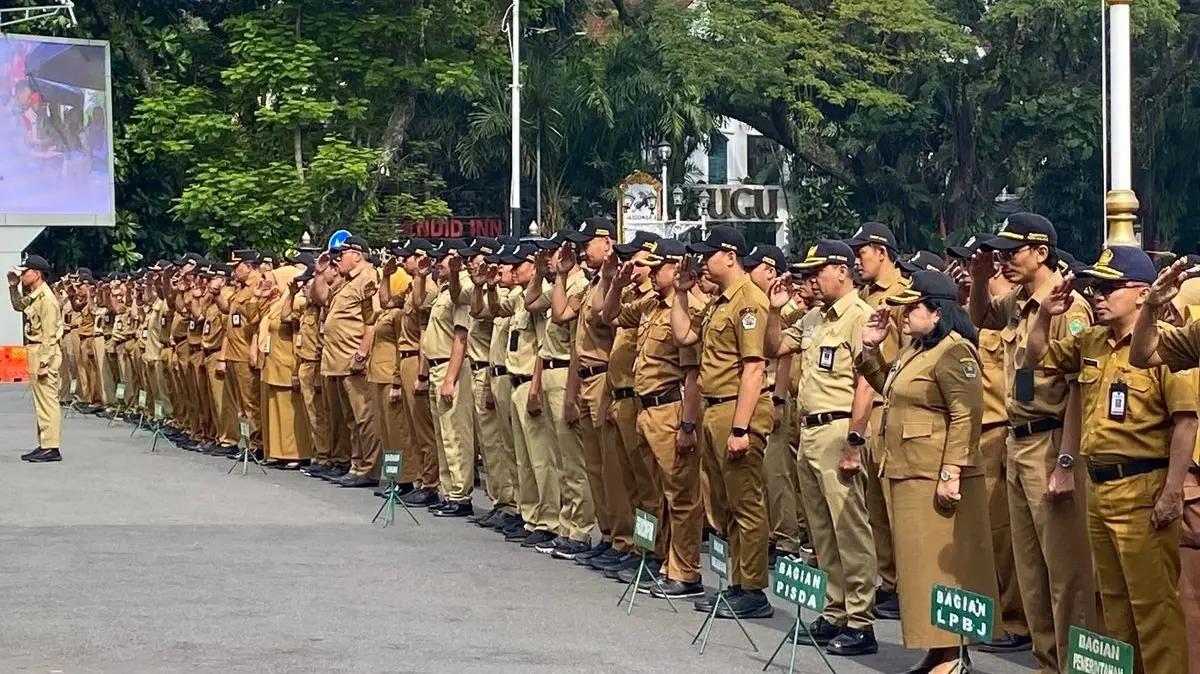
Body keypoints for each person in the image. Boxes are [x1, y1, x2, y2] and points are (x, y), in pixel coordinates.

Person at [1026, 247, 1192, 674]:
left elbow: (1185, 424)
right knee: (1114, 606)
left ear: (1142, 294)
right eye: (1095, 287)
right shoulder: (1091, 341)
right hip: (1098, 487)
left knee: (1153, 608)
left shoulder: (1166, 343)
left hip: (1143, 488)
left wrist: (1173, 491)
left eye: (1109, 287)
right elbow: (1037, 358)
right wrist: (1044, 314)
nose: (1098, 296)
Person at [967, 213, 1097, 673]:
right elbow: (979, 317)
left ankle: (1075, 664)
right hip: (1017, 442)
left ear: (1042, 252)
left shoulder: (1068, 308)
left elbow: (1080, 386)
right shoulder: (1020, 302)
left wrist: (1066, 461)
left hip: (1051, 440)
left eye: (1013, 251)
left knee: (1065, 572)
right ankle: (1047, 662)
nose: (1004, 258)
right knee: (1031, 572)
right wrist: (982, 278)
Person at [858, 270, 999, 673]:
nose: (904, 315)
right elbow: (889, 387)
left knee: (941, 572)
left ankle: (953, 655)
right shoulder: (915, 349)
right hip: (907, 470)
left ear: (936, 312)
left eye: (912, 308)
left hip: (934, 473)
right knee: (919, 571)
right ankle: (936, 650)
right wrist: (870, 349)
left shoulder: (954, 351)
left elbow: (966, 413)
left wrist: (951, 471)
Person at [766, 240, 879, 654]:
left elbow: (866, 381)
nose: (812, 278)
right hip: (810, 430)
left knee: (849, 525)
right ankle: (835, 611)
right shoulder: (814, 317)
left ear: (843, 271)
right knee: (821, 528)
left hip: (838, 428)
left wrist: (854, 440)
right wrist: (775, 310)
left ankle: (861, 619)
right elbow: (774, 348)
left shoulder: (859, 315)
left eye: (819, 270)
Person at [671, 226, 774, 620]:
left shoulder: (749, 302)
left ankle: (753, 589)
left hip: (736, 409)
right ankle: (736, 583)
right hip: (715, 409)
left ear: (730, 256)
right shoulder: (719, 301)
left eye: (708, 254)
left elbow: (753, 368)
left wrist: (740, 429)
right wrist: (680, 291)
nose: (701, 262)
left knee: (746, 503)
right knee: (723, 504)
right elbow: (684, 336)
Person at [601, 238, 704, 598]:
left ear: (675, 268)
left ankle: (685, 570)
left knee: (681, 496)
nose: (648, 270)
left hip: (671, 407)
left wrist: (688, 424)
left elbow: (693, 374)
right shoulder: (650, 303)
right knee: (652, 494)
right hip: (645, 410)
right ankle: (653, 554)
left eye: (656, 265)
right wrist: (615, 282)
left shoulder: (690, 306)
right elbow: (609, 315)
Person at [946, 237, 1031, 653]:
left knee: (1004, 535)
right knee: (983, 533)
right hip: (981, 431)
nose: (964, 268)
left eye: (975, 261)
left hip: (1001, 427)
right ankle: (996, 611)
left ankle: (1014, 618)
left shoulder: (1015, 308)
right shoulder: (982, 307)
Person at [844, 221, 910, 618]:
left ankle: (905, 583)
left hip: (889, 404)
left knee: (895, 503)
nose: (857, 260)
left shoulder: (903, 295)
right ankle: (888, 581)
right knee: (875, 508)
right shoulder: (864, 295)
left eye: (862, 252)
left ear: (881, 252)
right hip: (865, 403)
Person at [314, 236, 383, 488]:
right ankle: (356, 464)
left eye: (342, 254)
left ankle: (369, 468)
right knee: (351, 417)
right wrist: (321, 272)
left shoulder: (368, 278)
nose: (338, 259)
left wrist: (361, 354)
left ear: (357, 254)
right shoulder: (347, 282)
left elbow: (372, 321)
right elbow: (320, 297)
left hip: (352, 358)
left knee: (364, 416)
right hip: (337, 359)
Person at [417, 239, 476, 517]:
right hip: (437, 365)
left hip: (451, 367)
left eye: (442, 257)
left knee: (455, 434)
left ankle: (460, 495)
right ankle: (448, 489)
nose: (437, 262)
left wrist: (450, 378)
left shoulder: (462, 288)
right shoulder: (443, 289)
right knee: (442, 435)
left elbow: (460, 336)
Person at [9, 254, 63, 462]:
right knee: (40, 402)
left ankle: (51, 446)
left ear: (37, 273)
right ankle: (44, 443)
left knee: (48, 401)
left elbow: (50, 335)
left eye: (25, 272)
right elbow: (18, 306)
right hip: (35, 349)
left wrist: (44, 363)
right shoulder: (35, 295)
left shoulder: (47, 299)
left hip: (44, 351)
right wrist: (13, 287)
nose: (22, 275)